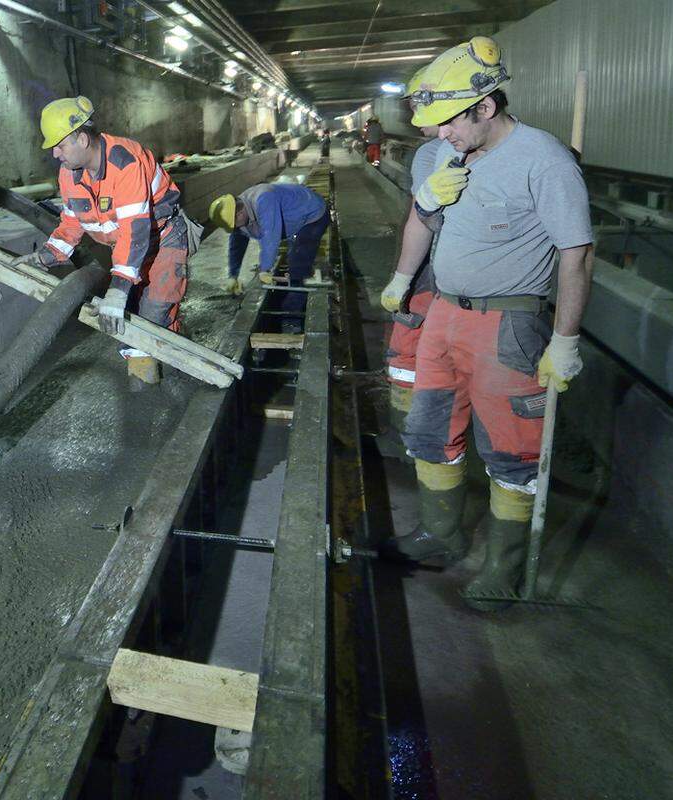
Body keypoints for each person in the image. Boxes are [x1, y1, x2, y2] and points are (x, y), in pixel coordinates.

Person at [378, 38, 594, 611]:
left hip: (508, 323)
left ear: (485, 107)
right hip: (444, 311)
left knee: (512, 449)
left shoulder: (542, 160)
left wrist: (565, 340)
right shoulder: (450, 156)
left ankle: (503, 566)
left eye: (448, 122)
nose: (439, 133)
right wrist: (404, 276)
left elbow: (576, 252)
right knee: (430, 430)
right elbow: (424, 222)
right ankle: (440, 534)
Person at [18, 96, 191, 387]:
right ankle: (147, 382)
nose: (56, 154)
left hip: (162, 239)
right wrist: (44, 256)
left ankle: (171, 371)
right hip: (127, 247)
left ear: (83, 139)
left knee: (154, 313)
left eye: (60, 145)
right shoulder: (69, 174)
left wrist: (118, 289)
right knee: (130, 322)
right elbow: (72, 222)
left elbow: (135, 230)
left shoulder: (125, 161)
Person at [377, 66, 441, 457]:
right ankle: (405, 426)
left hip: (447, 275)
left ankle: (412, 427)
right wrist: (403, 275)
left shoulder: (440, 150)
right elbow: (417, 216)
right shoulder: (430, 153)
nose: (417, 122)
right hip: (426, 271)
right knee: (406, 347)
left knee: (414, 347)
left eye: (423, 111)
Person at [208, 182, 329, 329]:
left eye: (235, 224)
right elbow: (236, 245)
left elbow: (270, 237)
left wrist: (265, 269)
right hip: (293, 220)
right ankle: (292, 296)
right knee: (292, 256)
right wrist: (233, 275)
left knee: (298, 264)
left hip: (313, 215)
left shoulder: (263, 199)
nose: (236, 228)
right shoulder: (238, 209)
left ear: (239, 213)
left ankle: (292, 317)